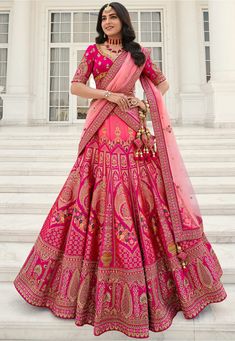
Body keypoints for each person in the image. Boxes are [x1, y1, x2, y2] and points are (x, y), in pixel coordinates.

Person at [14, 2, 227, 339]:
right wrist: (111, 95)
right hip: (101, 133)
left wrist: (145, 102)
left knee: (145, 201)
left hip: (133, 137)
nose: (107, 21)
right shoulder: (93, 52)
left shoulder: (138, 54)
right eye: (104, 17)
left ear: (123, 21)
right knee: (90, 199)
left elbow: (161, 85)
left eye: (113, 16)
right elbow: (76, 86)